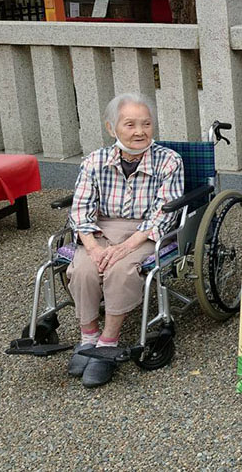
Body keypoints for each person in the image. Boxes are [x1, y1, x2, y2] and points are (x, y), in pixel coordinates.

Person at [67, 93, 184, 388]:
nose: (139, 132)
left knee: (120, 270)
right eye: (129, 124)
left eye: (146, 124)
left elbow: (163, 213)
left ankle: (107, 344)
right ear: (111, 128)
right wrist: (93, 247)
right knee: (82, 269)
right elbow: (80, 209)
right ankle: (88, 338)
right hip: (100, 228)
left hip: (144, 232)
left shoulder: (169, 161)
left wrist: (125, 246)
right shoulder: (94, 161)